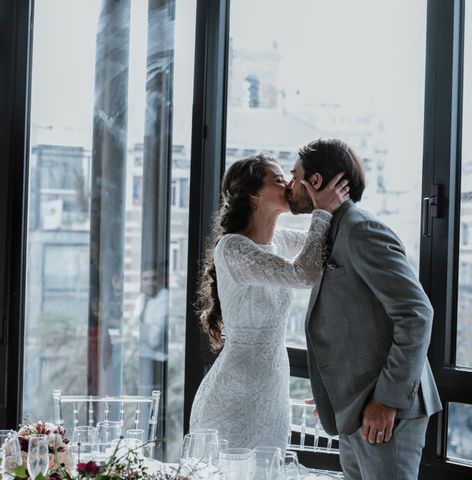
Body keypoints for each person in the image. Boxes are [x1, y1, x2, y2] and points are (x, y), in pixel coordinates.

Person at [288, 138, 442, 480]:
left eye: (293, 175)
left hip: (386, 413)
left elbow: (416, 314)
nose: (288, 185)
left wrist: (387, 400)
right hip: (355, 410)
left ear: (315, 181)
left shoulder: (362, 230)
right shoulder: (332, 230)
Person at [189, 154, 349, 452]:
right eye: (278, 180)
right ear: (253, 193)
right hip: (233, 392)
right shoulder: (232, 247)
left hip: (273, 386)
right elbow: (303, 274)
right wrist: (322, 212)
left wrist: (323, 200)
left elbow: (327, 244)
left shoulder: (281, 240)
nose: (289, 184)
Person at [132, 265, 169, 395]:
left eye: (153, 278)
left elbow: (154, 339)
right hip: (139, 358)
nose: (150, 283)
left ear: (160, 280)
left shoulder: (164, 299)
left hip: (157, 361)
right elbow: (131, 331)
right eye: (145, 279)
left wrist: (138, 329)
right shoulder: (142, 299)